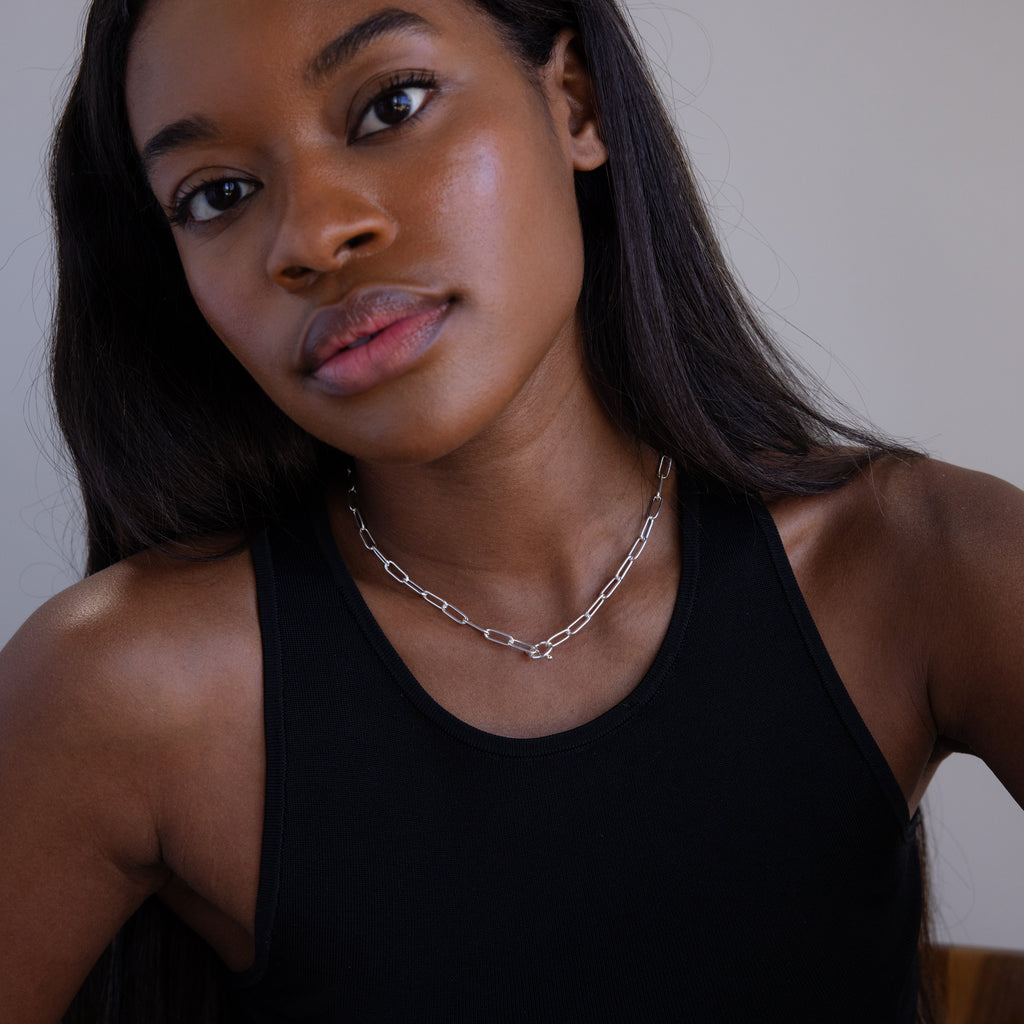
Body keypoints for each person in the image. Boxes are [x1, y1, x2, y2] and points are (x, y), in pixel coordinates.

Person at [0, 0, 1021, 1019]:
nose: (310, 237)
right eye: (218, 193)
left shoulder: (920, 566)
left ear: (572, 101)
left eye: (390, 104)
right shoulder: (132, 693)